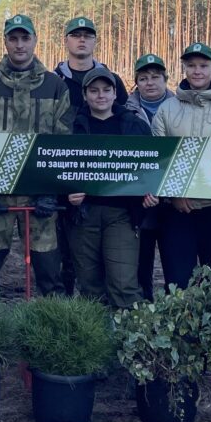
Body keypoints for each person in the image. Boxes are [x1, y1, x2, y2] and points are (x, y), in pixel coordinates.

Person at [0, 14, 71, 296]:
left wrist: (52, 190)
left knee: (49, 270)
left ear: (35, 41)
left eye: (25, 38)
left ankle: (54, 331)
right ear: (5, 42)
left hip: (40, 195)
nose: (20, 45)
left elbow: (62, 142)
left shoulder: (55, 86)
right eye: (14, 38)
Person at [147, 42, 211, 289]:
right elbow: (159, 158)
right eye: (191, 65)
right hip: (178, 210)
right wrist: (174, 195)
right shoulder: (167, 109)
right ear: (184, 69)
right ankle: (179, 327)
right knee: (178, 280)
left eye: (203, 65)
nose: (197, 71)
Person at [66, 66, 151, 309]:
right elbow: (60, 168)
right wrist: (68, 194)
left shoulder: (136, 126)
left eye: (106, 90)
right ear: (85, 95)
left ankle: (130, 341)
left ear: (115, 93)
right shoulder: (73, 127)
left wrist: (149, 195)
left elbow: (152, 167)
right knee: (89, 284)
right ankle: (95, 341)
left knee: (124, 283)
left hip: (122, 215)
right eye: (94, 91)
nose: (100, 95)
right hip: (83, 215)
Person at [53, 17, 127, 294]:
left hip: (104, 186)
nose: (81, 40)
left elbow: (124, 122)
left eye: (87, 35)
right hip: (66, 182)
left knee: (106, 264)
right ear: (67, 41)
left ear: (95, 41)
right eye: (76, 35)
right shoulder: (54, 80)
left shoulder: (112, 80)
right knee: (65, 257)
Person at [126, 53, 175, 299]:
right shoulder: (125, 111)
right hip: (141, 200)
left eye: (156, 77)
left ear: (166, 79)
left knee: (174, 263)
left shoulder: (181, 107)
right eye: (143, 78)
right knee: (140, 262)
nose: (150, 83)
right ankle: (144, 307)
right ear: (136, 82)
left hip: (174, 199)